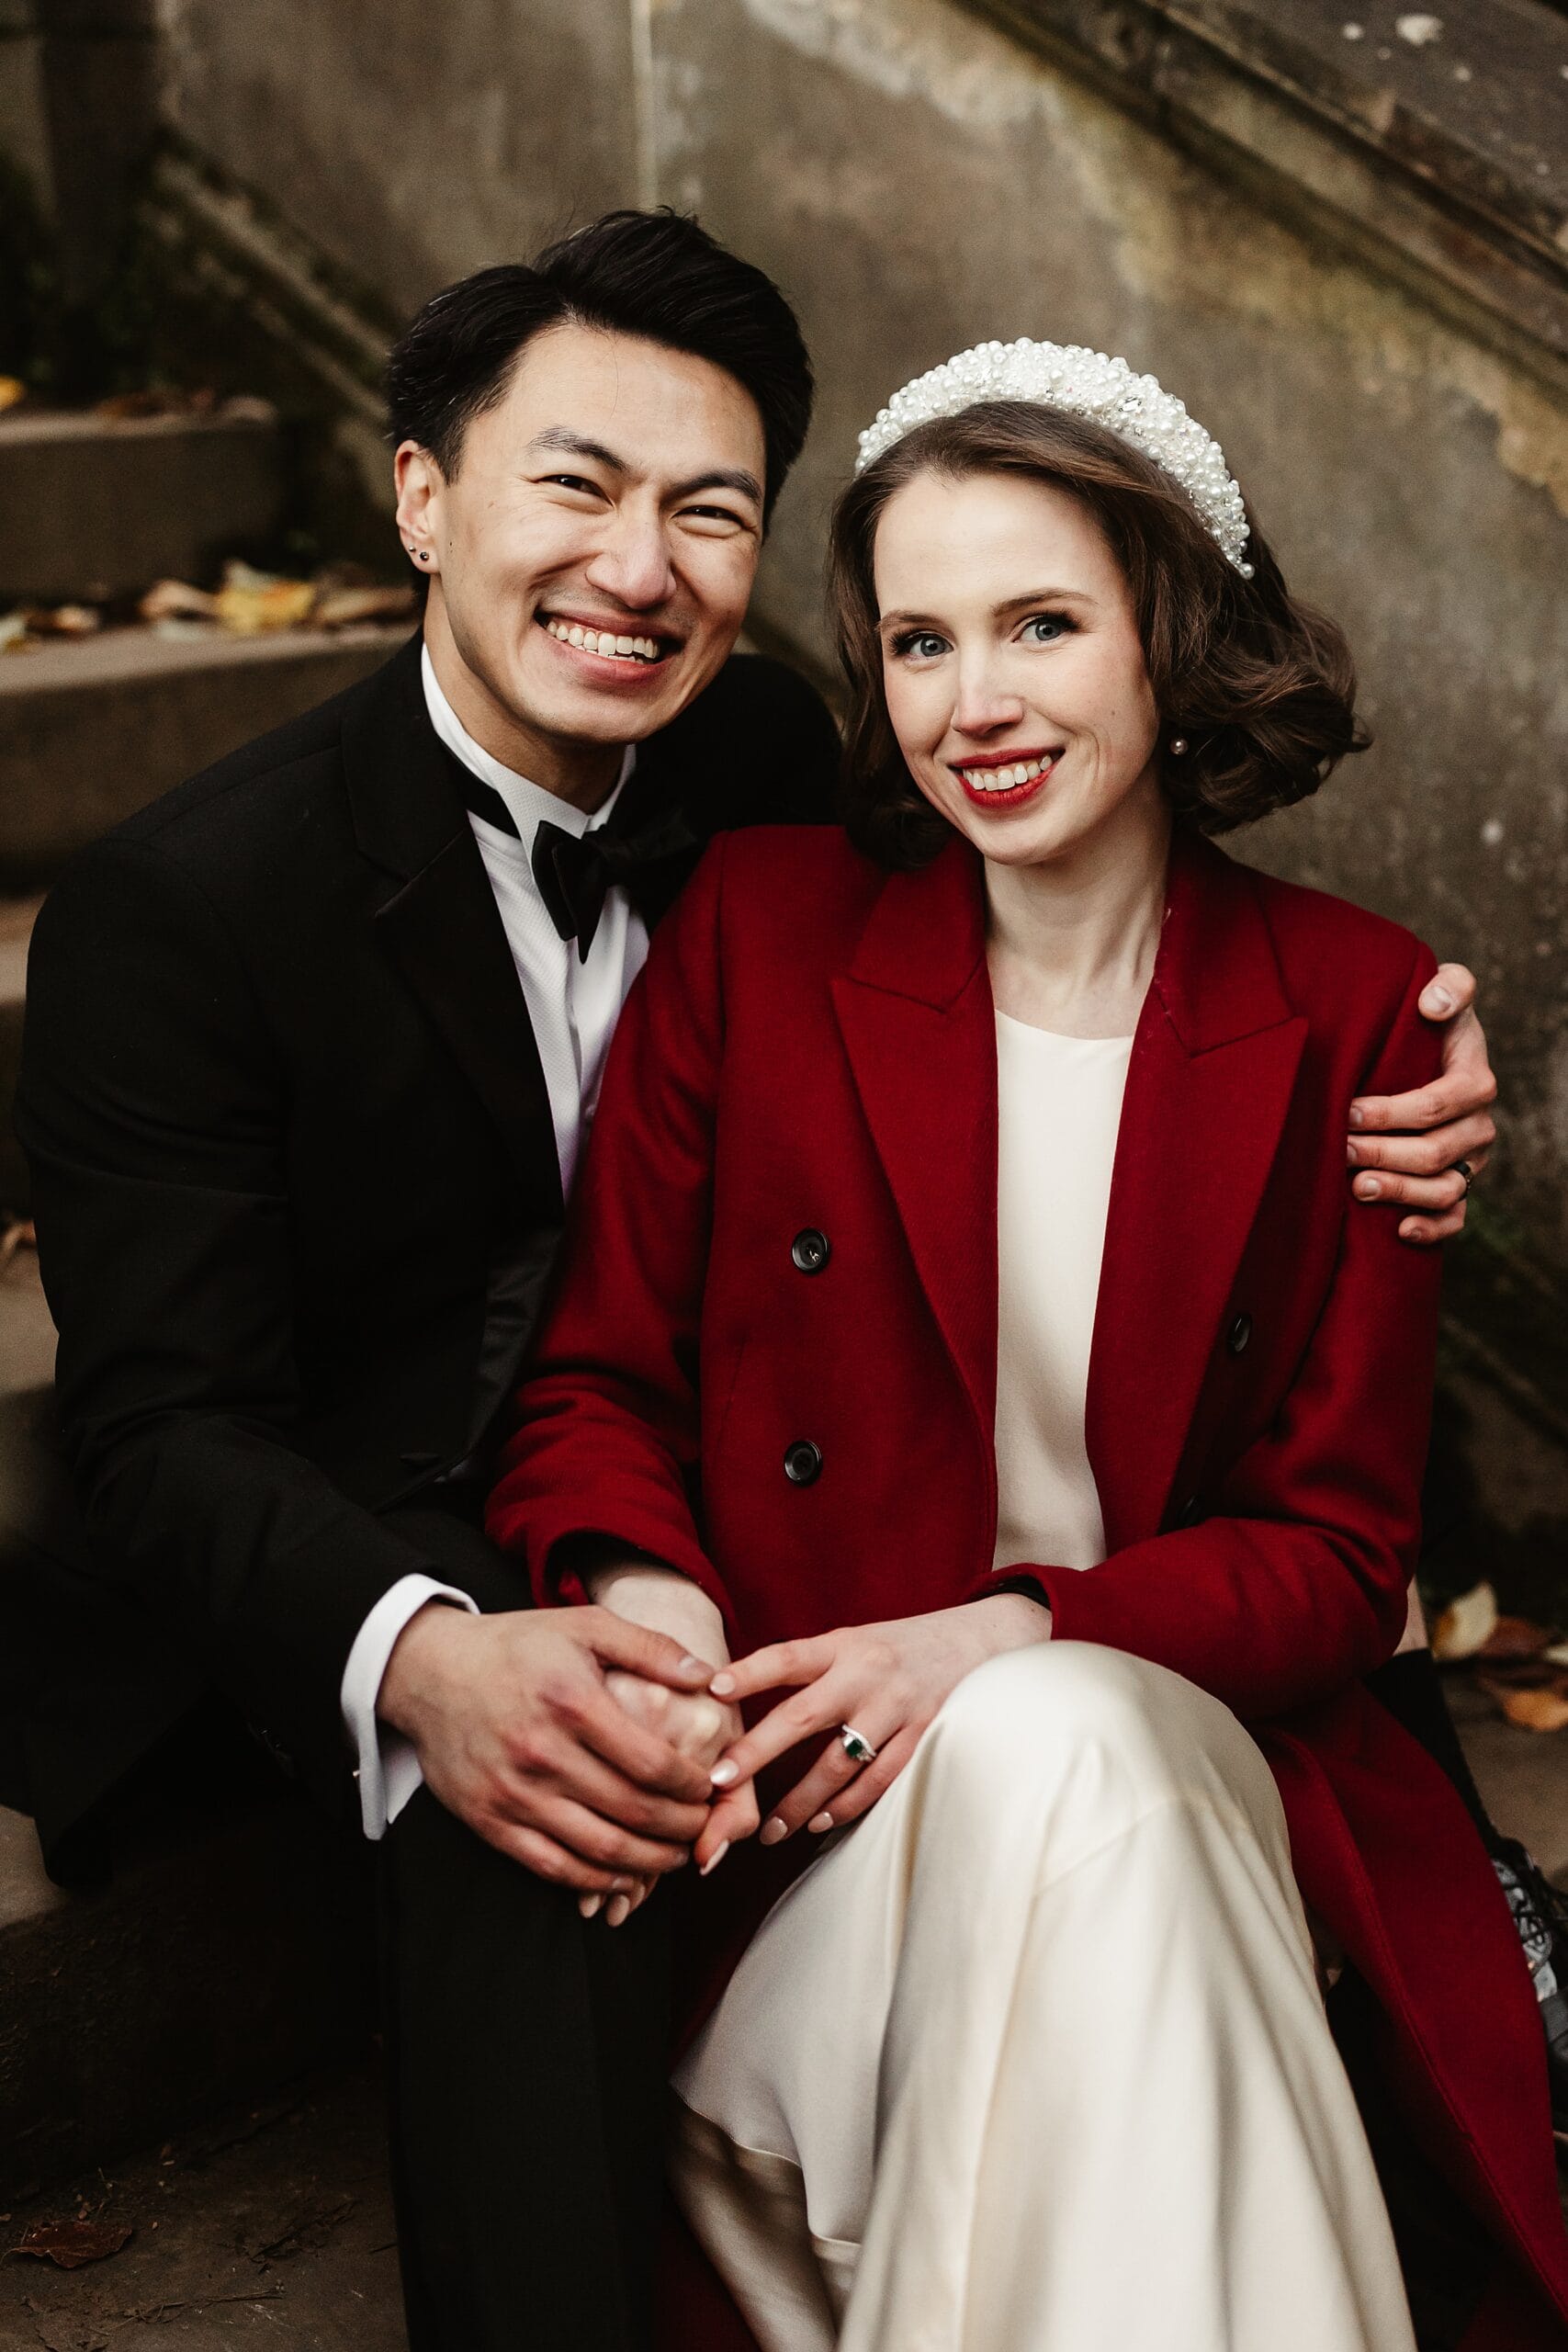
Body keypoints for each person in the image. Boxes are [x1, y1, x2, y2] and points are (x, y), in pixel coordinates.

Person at [0, 209, 1513, 2349]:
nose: (640, 565)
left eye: (705, 509)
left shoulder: (756, 784)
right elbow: (171, 1421)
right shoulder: (197, 904)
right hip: (409, 1537)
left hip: (990, 1676)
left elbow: (1321, 1511)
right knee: (541, 1791)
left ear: (1166, 633)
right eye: (575, 484)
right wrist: (514, 1629)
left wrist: (1407, 1099)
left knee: (1067, 1752)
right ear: (420, 496)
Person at [487, 345, 1568, 2350]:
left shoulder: (1349, 1013)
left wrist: (1001, 1633)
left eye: (1038, 624)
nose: (968, 704)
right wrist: (652, 1621)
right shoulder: (756, 925)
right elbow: (596, 1383)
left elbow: (1336, 1558)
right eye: (915, 641)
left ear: (1167, 631)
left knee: (1053, 1735)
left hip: (1182, 1778)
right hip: (816, 1854)